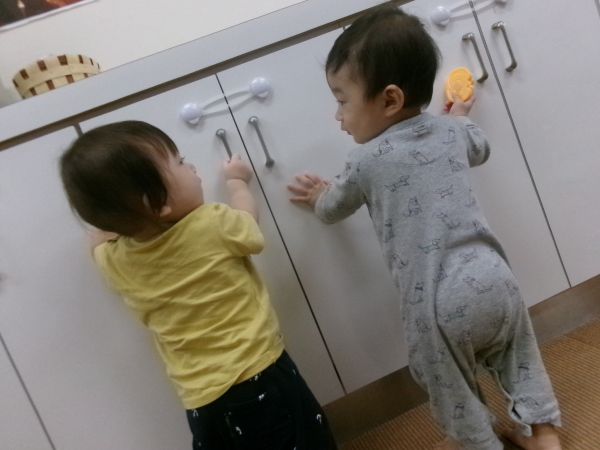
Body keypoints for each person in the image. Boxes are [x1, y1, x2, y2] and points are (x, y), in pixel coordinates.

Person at [287, 5, 561, 450]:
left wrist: (319, 194)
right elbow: (480, 146)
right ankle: (544, 434)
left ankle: (471, 440)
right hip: (496, 277)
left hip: (435, 300)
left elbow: (333, 208)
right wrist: (459, 115)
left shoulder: (364, 161)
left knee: (448, 382)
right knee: (520, 356)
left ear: (390, 100)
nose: (338, 116)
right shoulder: (450, 132)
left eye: (342, 101)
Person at [60, 120, 337, 450]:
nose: (191, 167)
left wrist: (117, 217)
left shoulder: (117, 261)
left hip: (201, 400)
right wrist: (237, 182)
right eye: (180, 162)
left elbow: (96, 242)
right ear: (157, 203)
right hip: (258, 373)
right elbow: (249, 227)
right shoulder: (211, 222)